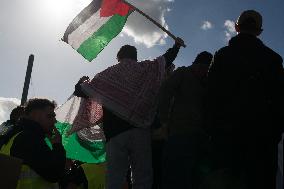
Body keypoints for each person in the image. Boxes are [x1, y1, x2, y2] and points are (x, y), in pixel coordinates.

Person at [74, 38, 184, 189]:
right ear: (135, 56)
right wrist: (176, 46)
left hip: (115, 134)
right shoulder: (146, 69)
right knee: (142, 176)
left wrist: (82, 81)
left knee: (114, 177)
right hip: (140, 129)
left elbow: (81, 91)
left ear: (119, 57)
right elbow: (165, 59)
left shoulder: (107, 74)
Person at [206, 10, 284, 188]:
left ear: (236, 27)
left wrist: (212, 130)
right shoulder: (274, 59)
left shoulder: (222, 55)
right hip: (263, 142)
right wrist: (275, 134)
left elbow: (210, 95)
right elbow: (280, 101)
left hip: (225, 140)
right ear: (259, 31)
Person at [158, 52, 213, 189]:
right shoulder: (183, 72)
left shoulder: (208, 81)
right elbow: (165, 91)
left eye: (206, 68)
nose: (202, 70)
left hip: (199, 136)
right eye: (200, 66)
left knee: (190, 176)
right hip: (179, 132)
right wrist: (164, 121)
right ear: (195, 64)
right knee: (174, 174)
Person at [0, 98, 66, 188]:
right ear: (35, 115)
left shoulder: (15, 135)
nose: (54, 121)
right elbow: (54, 173)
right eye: (50, 116)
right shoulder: (29, 139)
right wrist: (57, 145)